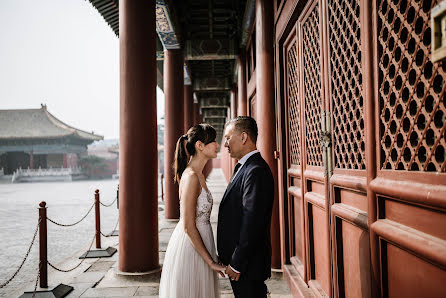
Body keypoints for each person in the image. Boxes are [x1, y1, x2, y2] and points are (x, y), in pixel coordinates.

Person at [159, 124, 225, 298]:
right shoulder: (191, 177)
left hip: (203, 242)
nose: (217, 145)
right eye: (213, 141)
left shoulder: (199, 174)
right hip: (189, 247)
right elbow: (188, 225)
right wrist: (210, 261)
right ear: (200, 146)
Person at [217, 116, 274, 298]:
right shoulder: (244, 167)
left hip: (247, 265)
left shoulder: (255, 170)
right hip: (242, 264)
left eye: (228, 137)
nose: (225, 144)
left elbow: (252, 222)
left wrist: (236, 263)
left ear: (243, 137)